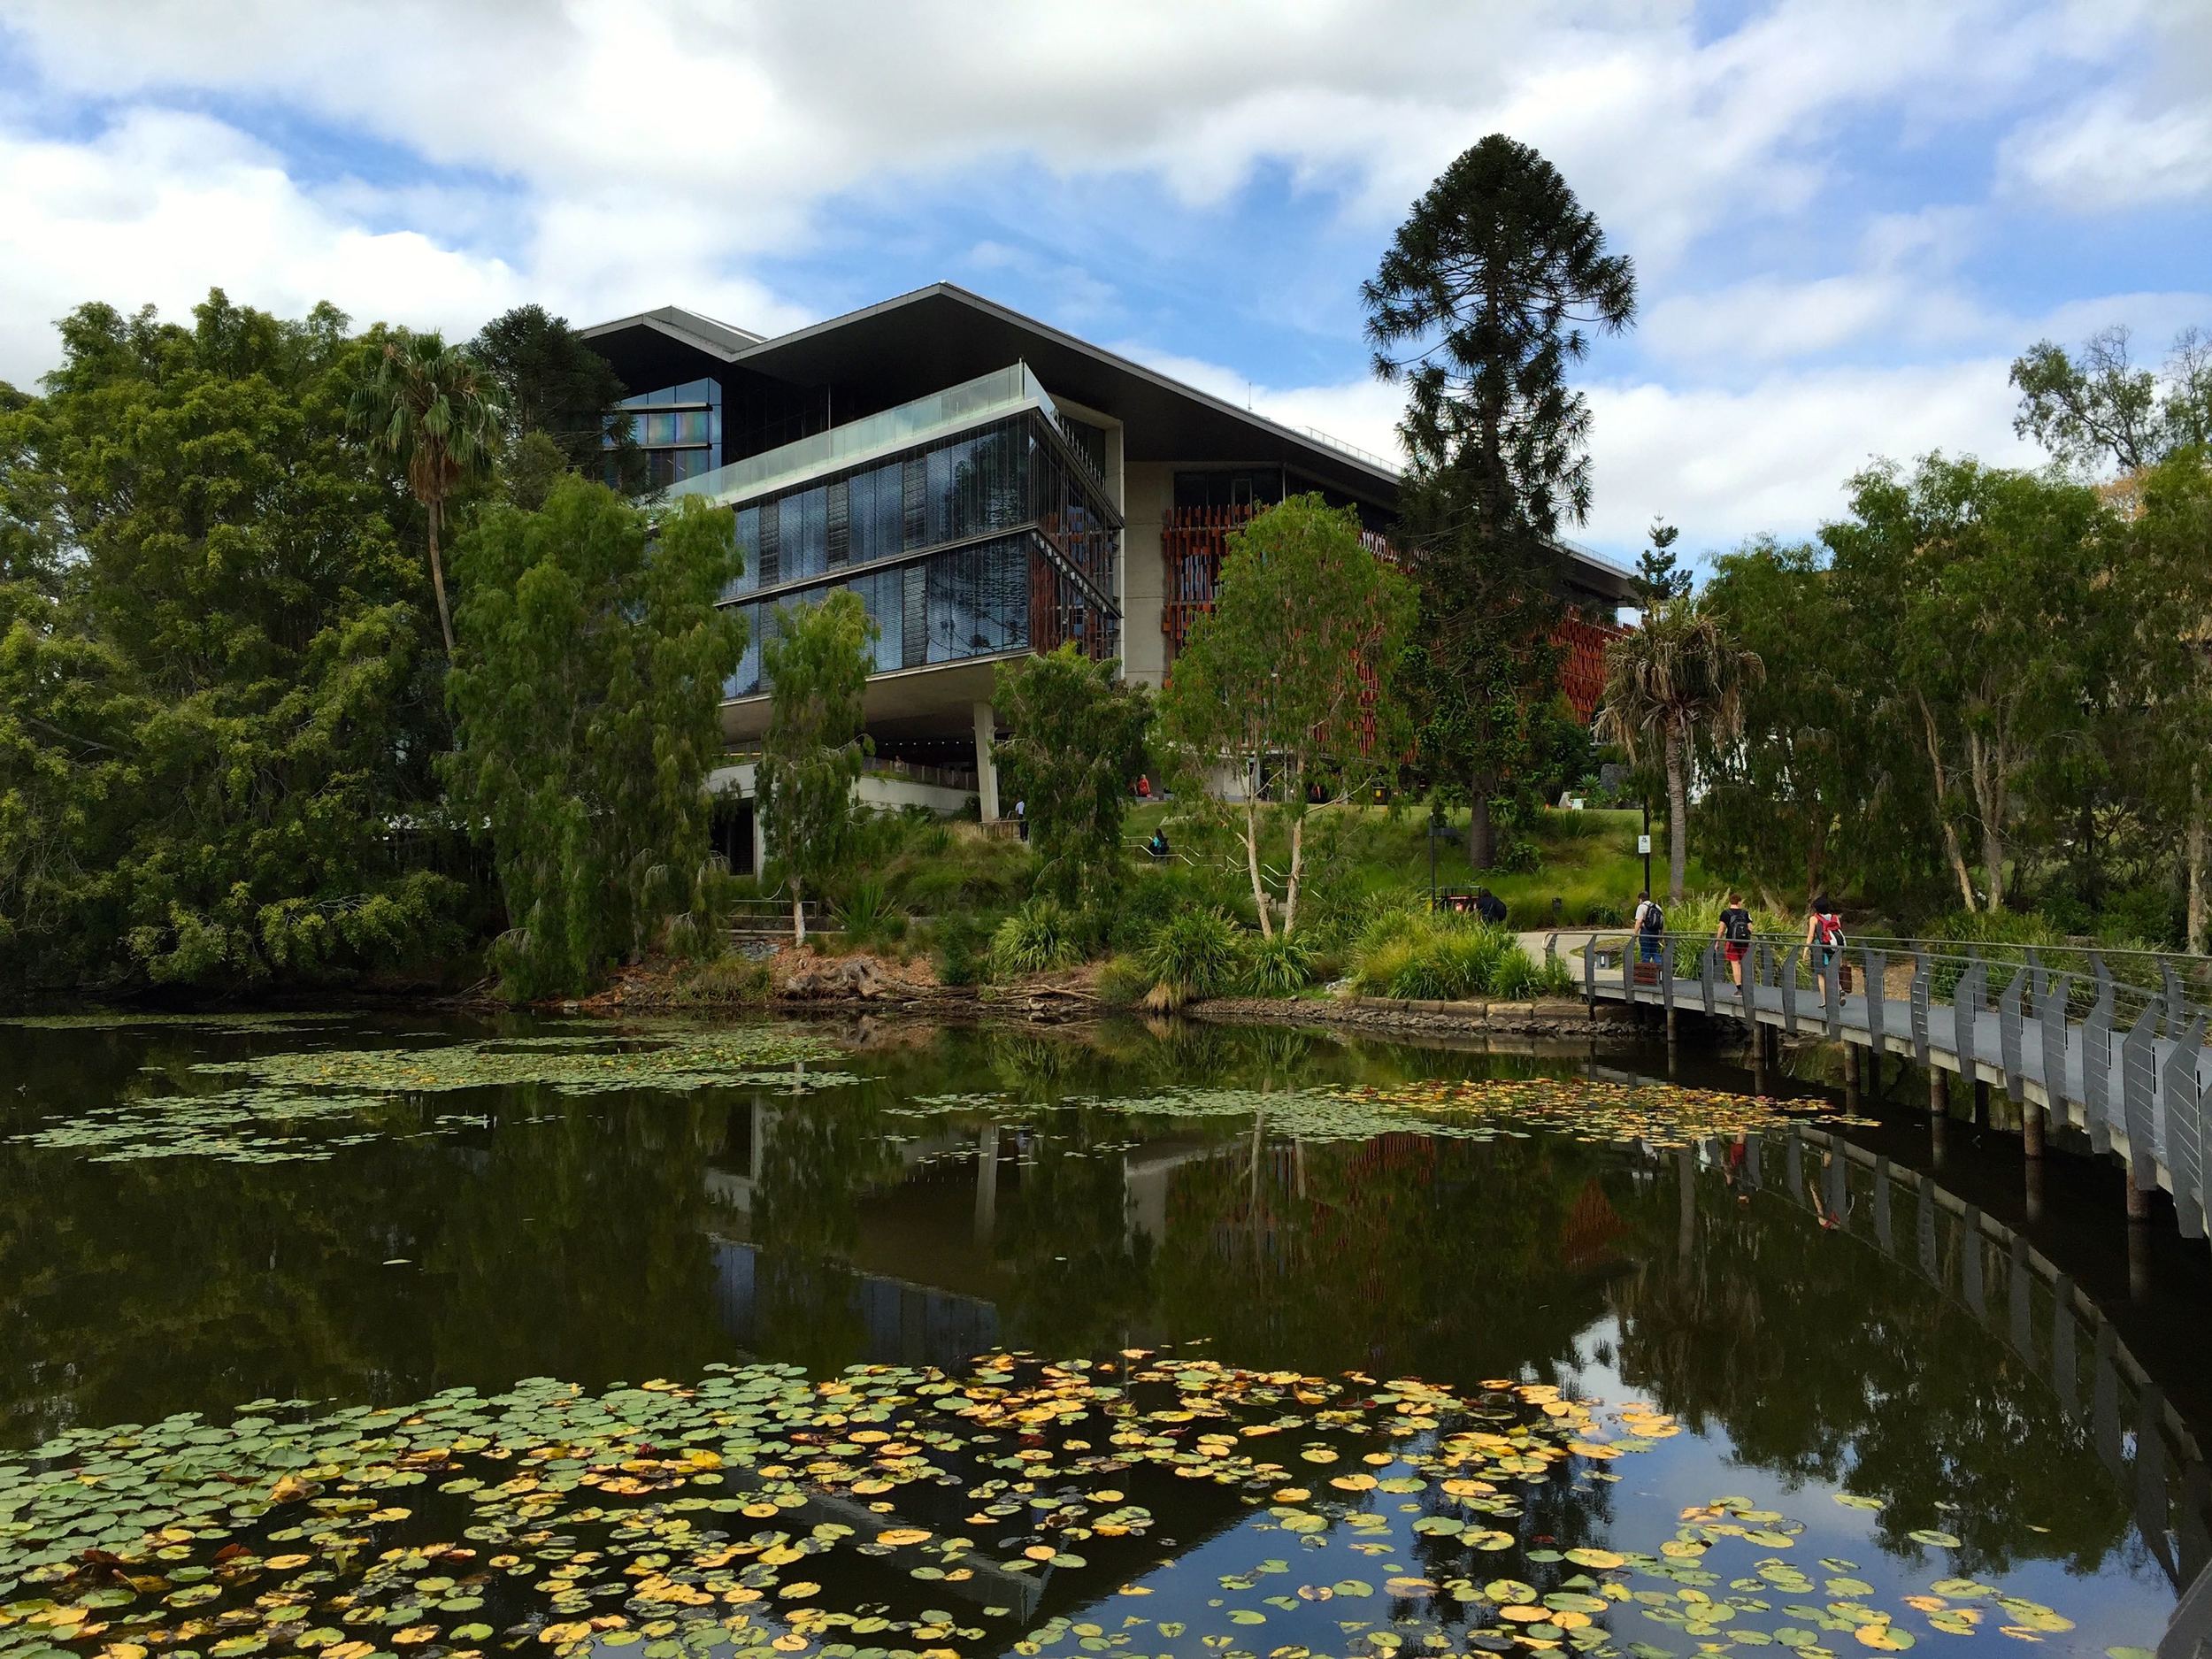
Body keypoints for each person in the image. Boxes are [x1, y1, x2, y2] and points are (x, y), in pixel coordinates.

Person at [1805, 893, 1846, 1002]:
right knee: (1834, 971)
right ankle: (1839, 988)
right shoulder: (1835, 918)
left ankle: (1825, 1000)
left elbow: (1811, 935)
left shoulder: (1814, 919)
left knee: (1821, 975)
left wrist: (1805, 949)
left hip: (1820, 948)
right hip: (1834, 947)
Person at [1716, 890, 1754, 986]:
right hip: (1744, 942)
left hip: (1731, 942)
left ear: (1730, 902)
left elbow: (1721, 929)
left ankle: (1739, 988)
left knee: (1735, 964)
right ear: (1739, 902)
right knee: (1743, 963)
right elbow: (1750, 929)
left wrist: (1717, 942)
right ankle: (1747, 985)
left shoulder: (1725, 913)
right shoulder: (1745, 913)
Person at [1632, 888, 1664, 966]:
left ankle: (1646, 971)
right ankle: (1660, 970)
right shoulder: (1657, 907)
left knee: (1645, 953)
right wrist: (1661, 935)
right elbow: (1662, 922)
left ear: (1641, 899)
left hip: (1646, 932)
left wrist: (1635, 934)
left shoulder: (1641, 907)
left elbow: (1639, 921)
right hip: (1656, 932)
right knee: (1654, 951)